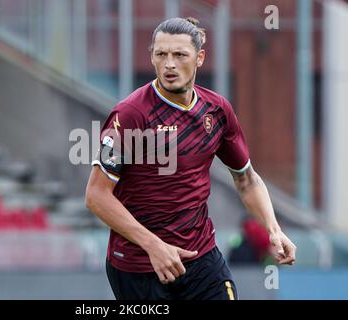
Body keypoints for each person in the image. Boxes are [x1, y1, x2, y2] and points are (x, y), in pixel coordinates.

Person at [85, 17, 296, 300]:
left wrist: (273, 229)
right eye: (161, 55)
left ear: (199, 58)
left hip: (201, 259)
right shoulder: (131, 114)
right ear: (151, 57)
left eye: (179, 55)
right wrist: (153, 245)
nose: (169, 64)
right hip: (139, 267)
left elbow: (245, 179)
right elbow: (96, 195)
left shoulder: (217, 111)